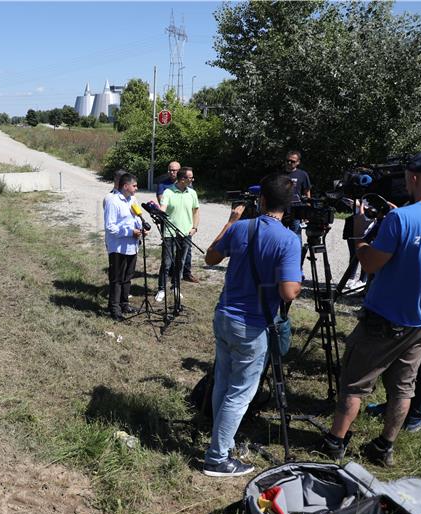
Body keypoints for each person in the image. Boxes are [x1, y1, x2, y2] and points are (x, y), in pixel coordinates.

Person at [317, 151, 421, 467]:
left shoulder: (402, 219)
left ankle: (335, 442)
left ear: (413, 178)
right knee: (404, 387)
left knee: (355, 383)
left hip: (386, 317)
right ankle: (384, 446)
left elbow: (370, 262)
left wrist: (361, 232)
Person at [202, 173, 302, 477]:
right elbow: (288, 292)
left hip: (224, 316)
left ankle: (221, 438)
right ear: (289, 206)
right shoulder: (288, 239)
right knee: (240, 392)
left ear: (260, 201)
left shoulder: (242, 227)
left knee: (223, 380)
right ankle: (217, 457)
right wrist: (296, 286)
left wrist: (232, 221)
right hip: (253, 325)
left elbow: (211, 257)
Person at [104, 173, 148, 321]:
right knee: (116, 279)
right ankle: (114, 308)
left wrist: (141, 229)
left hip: (132, 246)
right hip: (118, 247)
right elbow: (110, 227)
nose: (137, 188)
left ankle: (124, 304)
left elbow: (136, 219)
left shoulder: (133, 200)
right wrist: (130, 232)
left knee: (127, 277)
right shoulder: (113, 201)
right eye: (134, 185)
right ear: (125, 186)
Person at [155, 165, 200, 303]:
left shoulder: (192, 193)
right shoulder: (168, 192)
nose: (192, 179)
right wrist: (159, 212)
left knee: (180, 262)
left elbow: (196, 211)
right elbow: (162, 208)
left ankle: (176, 286)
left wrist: (194, 228)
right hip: (170, 233)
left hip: (186, 233)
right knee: (167, 262)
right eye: (190, 177)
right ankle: (161, 289)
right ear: (182, 179)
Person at [282, 151, 311, 243]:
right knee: (279, 235)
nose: (289, 163)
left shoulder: (302, 175)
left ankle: (296, 256)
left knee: (296, 236)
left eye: (292, 161)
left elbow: (307, 192)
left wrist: (307, 210)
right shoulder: (279, 174)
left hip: (296, 210)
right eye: (287, 160)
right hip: (280, 210)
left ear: (298, 162)